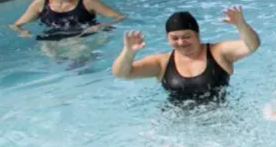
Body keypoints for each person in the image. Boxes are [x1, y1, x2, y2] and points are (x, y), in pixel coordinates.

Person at [111, 6, 260, 104]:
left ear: (198, 35)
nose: (181, 42)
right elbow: (122, 74)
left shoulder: (218, 52)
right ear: (167, 38)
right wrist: (128, 52)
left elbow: (252, 45)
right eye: (174, 38)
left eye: (187, 36)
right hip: (178, 125)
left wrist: (241, 24)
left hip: (220, 119)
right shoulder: (161, 63)